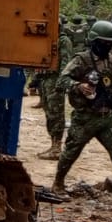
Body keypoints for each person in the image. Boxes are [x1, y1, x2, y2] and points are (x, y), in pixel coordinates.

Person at [55, 19, 112, 206]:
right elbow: (61, 81)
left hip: (107, 118)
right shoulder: (81, 60)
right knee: (71, 152)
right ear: (94, 41)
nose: (107, 46)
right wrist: (78, 86)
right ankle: (58, 183)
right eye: (104, 43)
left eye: (111, 43)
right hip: (85, 117)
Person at [40, 14, 73, 161]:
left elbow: (65, 63)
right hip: (46, 80)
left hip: (55, 80)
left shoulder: (64, 41)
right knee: (49, 113)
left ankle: (57, 147)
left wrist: (61, 82)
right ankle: (53, 144)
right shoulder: (49, 39)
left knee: (56, 114)